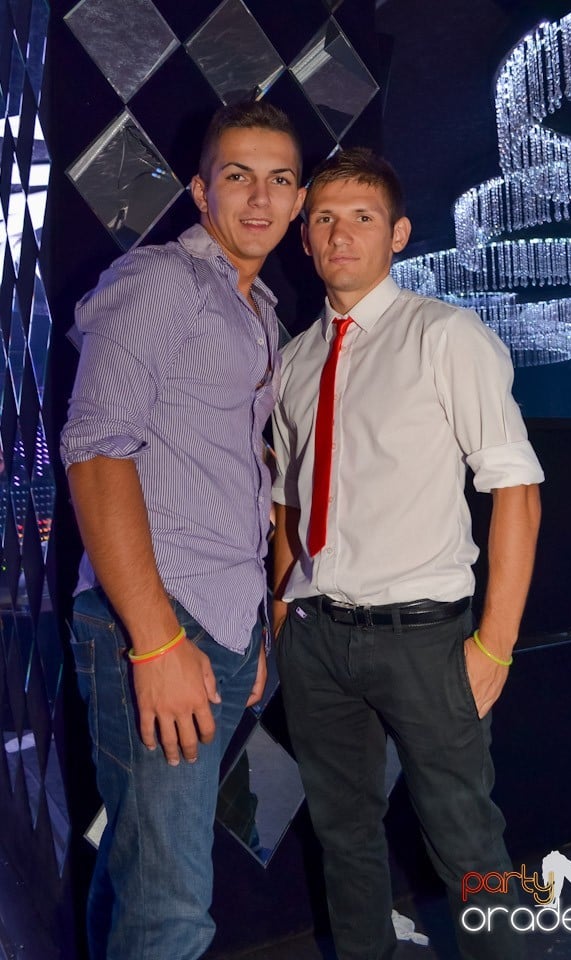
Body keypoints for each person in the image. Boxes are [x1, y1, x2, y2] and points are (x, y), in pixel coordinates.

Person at [271, 148, 544, 960]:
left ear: (397, 234)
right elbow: (288, 501)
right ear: (304, 238)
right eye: (323, 219)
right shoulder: (294, 360)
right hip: (316, 638)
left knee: (467, 842)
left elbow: (517, 490)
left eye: (361, 218)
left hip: (424, 638)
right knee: (342, 836)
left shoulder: (446, 336)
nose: (340, 235)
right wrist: (284, 608)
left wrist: (496, 643)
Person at [60, 100, 305, 960]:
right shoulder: (162, 280)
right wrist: (159, 641)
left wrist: (255, 630)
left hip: (225, 626)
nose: (260, 198)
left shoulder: (259, 309)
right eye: (238, 176)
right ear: (202, 192)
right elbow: (96, 451)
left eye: (280, 180)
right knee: (172, 912)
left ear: (298, 198)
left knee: (139, 867)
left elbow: (239, 475)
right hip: (159, 620)